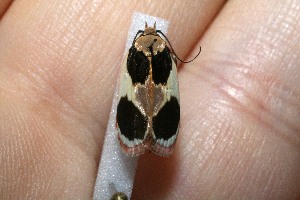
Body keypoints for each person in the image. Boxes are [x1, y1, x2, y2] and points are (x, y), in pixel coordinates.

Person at [0, 1, 299, 199]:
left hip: (139, 97)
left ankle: (145, 136)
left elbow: (127, 83)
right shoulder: (157, 51)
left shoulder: (135, 51)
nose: (151, 33)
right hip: (154, 94)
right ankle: (159, 137)